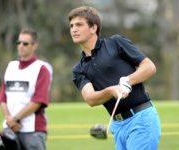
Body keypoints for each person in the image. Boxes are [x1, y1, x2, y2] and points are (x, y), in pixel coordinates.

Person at [68, 6, 161, 150]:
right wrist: (111, 90)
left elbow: (149, 67)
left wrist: (127, 80)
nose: (74, 29)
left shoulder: (115, 43)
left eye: (79, 25)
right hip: (118, 126)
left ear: (93, 28)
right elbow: (91, 98)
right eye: (72, 26)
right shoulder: (78, 70)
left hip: (141, 118)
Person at [0, 29, 53, 150]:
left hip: (32, 129)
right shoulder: (11, 66)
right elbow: (2, 98)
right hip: (10, 129)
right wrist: (9, 120)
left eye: (25, 43)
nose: (21, 46)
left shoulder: (42, 69)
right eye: (19, 43)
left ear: (35, 46)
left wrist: (15, 119)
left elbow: (37, 101)